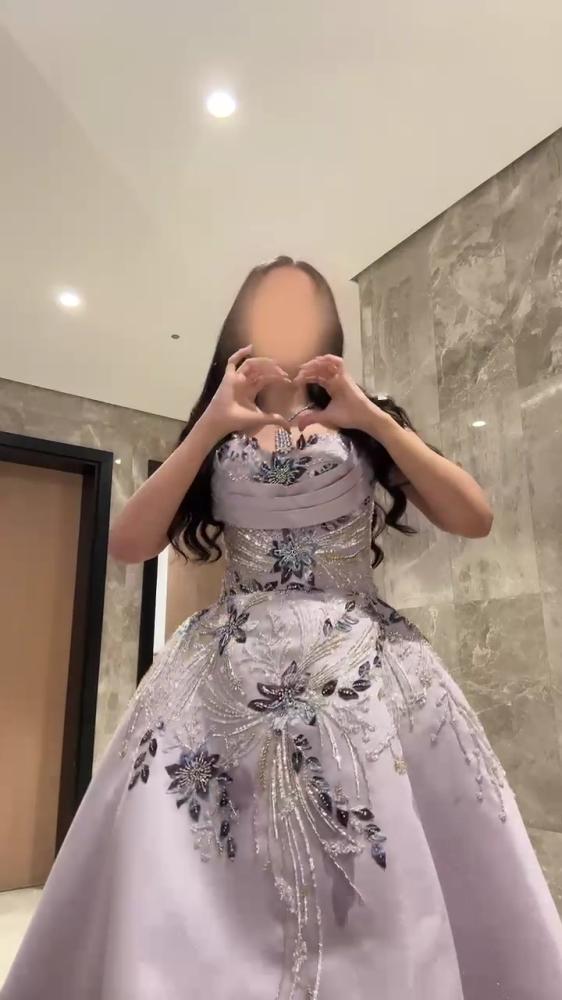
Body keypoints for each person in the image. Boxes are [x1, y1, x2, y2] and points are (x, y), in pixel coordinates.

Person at [3, 256, 562, 1000]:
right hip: (229, 668)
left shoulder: (368, 417)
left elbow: (474, 517)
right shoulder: (218, 422)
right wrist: (211, 423)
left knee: (380, 858)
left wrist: (370, 418)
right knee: (211, 869)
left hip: (362, 661)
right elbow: (129, 542)